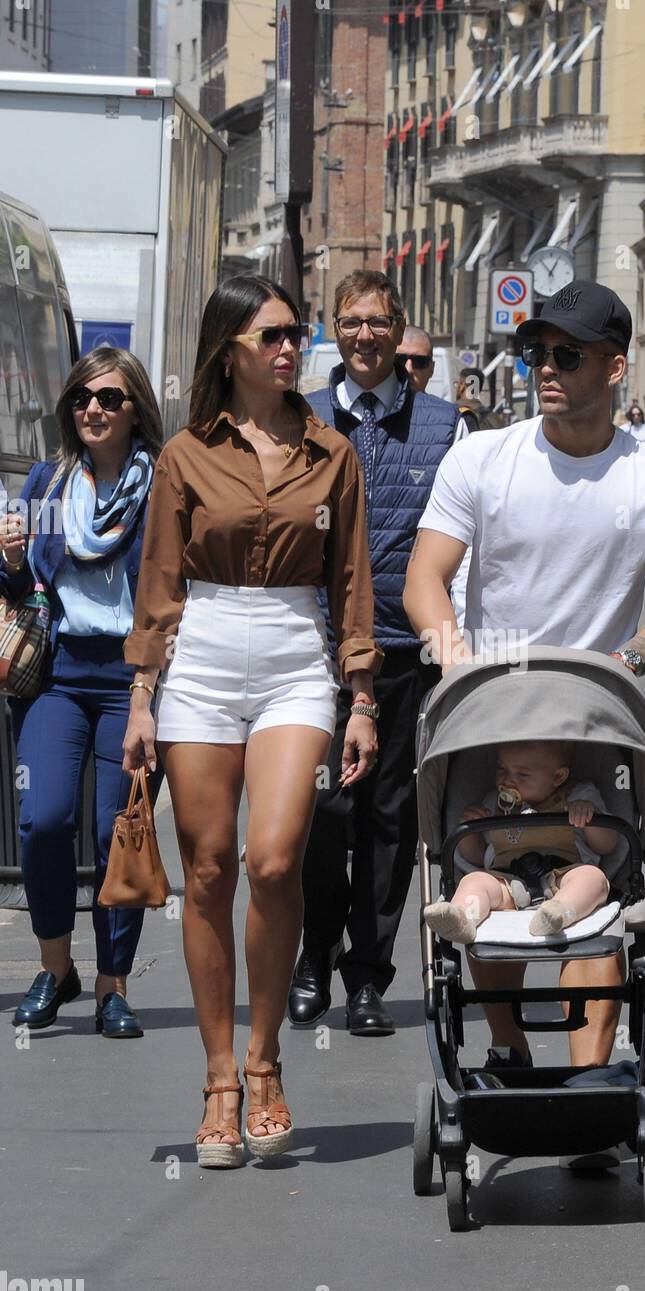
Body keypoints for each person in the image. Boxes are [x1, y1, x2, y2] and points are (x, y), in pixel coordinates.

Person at [404, 278, 645, 1127]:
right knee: (481, 863)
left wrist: (623, 662)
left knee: (599, 891)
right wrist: (455, 659)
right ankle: (505, 1049)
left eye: (566, 355)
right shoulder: (481, 457)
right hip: (489, 709)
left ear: (614, 368)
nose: (545, 368)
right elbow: (424, 577)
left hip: (591, 714)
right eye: (537, 351)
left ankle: (588, 1085)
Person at [122, 274, 381, 1168]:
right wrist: (142, 698)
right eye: (270, 335)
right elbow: (158, 584)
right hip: (202, 649)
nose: (287, 349)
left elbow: (352, 585)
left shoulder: (331, 451)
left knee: (274, 858)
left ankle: (267, 1060)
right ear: (228, 347)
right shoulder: (187, 454)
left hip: (292, 654)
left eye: (293, 334)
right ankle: (221, 1078)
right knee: (208, 866)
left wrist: (362, 699)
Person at [289, 270, 465, 1037]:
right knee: (322, 813)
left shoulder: (444, 425)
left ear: (399, 333)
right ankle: (312, 954)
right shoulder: (302, 418)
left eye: (379, 323)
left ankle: (368, 976)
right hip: (318, 651)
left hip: (405, 652)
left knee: (390, 821)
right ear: (335, 330)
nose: (365, 336)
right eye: (351, 322)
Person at [1, 348, 163, 1038]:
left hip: (133, 681)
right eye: (81, 399)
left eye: (109, 398)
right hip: (57, 677)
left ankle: (111, 985)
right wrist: (9, 559)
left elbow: (175, 590)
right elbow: (20, 594)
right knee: (43, 821)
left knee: (116, 832)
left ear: (135, 411)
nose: (92, 409)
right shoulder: (46, 484)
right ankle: (54, 968)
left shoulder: (162, 489)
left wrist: (150, 689)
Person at [424, 740, 616, 943]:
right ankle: (463, 918)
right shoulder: (494, 804)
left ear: (558, 777)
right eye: (501, 768)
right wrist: (469, 829)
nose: (507, 780)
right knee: (473, 881)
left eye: (522, 774)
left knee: (592, 878)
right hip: (506, 881)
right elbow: (477, 856)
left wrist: (589, 818)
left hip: (562, 876)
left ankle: (560, 911)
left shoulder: (579, 796)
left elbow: (607, 845)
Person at [396, 324, 437, 395]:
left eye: (419, 361)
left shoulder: (444, 406)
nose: (408, 370)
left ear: (431, 369)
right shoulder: (373, 405)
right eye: (400, 360)